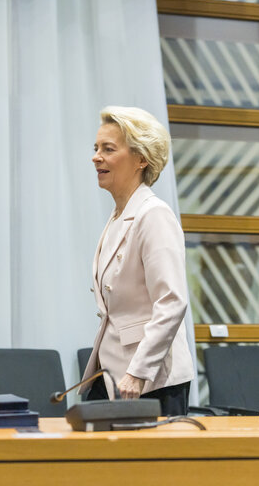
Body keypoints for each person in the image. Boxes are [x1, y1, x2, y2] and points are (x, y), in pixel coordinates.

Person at [80, 106, 195, 416]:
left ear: (141, 158)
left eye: (108, 149)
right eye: (95, 149)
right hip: (112, 372)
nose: (96, 157)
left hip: (150, 379)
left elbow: (171, 302)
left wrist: (139, 371)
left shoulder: (153, 214)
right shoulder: (119, 215)